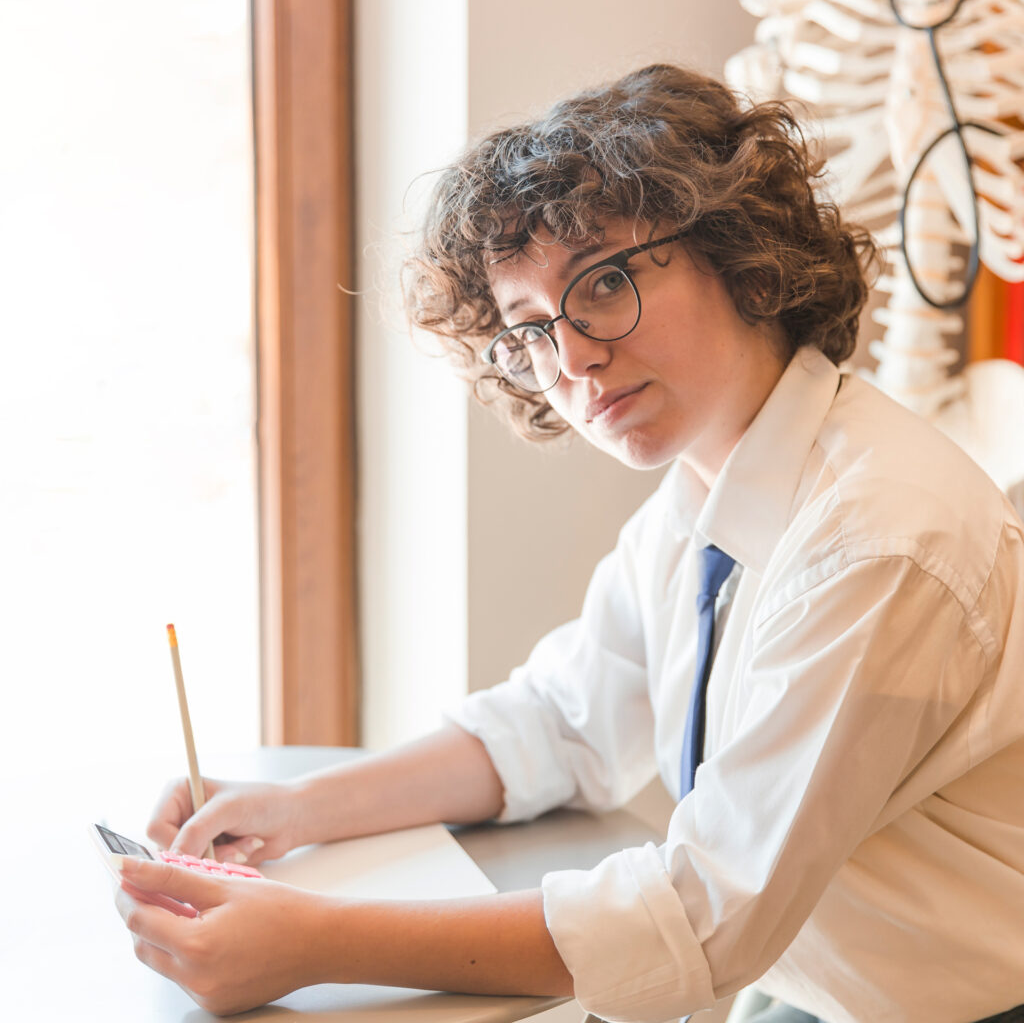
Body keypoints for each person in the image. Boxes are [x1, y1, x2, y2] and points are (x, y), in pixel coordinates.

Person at [115, 63, 1024, 1023]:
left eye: (606, 281)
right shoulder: (708, 496)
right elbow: (564, 721)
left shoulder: (876, 540)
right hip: (804, 986)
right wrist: (289, 811)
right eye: (531, 331)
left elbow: (704, 914)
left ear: (740, 252)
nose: (574, 356)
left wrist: (309, 944)